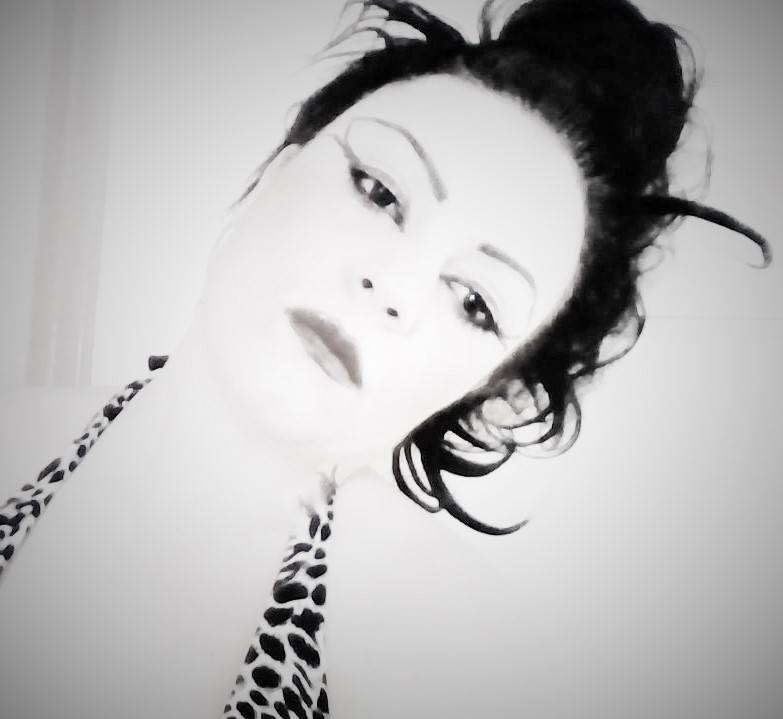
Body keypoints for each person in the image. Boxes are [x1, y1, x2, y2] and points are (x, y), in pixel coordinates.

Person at [0, 0, 772, 717]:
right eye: (377, 190)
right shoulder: (15, 431)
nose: (394, 288)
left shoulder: (448, 658)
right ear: (278, 171)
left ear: (487, 388)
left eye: (474, 301)